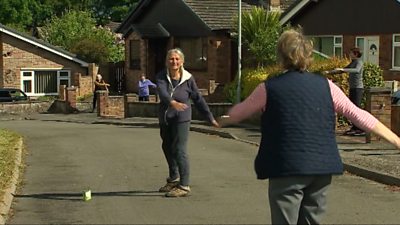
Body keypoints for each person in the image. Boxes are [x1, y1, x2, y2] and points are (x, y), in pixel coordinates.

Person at [218, 29, 400, 225]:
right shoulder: (327, 86)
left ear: (281, 55)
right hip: (321, 169)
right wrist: (395, 139)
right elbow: (357, 114)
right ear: (308, 55)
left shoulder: (269, 88)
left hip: (286, 167)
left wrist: (221, 120)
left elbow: (240, 112)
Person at [156, 48, 219, 197]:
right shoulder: (161, 76)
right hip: (166, 117)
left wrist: (210, 118)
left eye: (177, 59)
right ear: (167, 61)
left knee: (179, 149)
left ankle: (184, 185)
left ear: (182, 61)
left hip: (182, 118)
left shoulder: (188, 78)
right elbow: (162, 92)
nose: (174, 61)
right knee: (166, 146)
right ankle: (174, 178)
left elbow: (198, 98)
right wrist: (172, 102)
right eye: (171, 59)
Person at [326, 47, 365, 136]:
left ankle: (360, 128)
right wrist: (329, 72)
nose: (349, 54)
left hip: (357, 88)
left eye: (351, 53)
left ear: (356, 54)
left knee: (356, 108)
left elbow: (356, 70)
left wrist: (343, 70)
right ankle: (355, 127)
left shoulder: (359, 62)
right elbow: (342, 70)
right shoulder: (353, 62)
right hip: (352, 88)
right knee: (352, 108)